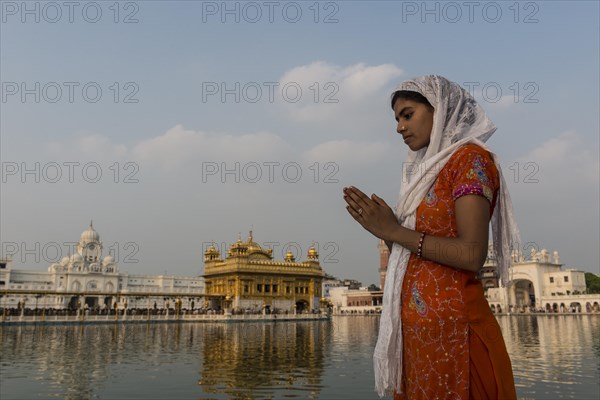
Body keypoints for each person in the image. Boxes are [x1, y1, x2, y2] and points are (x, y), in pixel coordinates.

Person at [343, 75, 519, 399]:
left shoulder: (469, 160)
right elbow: (416, 251)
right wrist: (385, 232)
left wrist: (394, 231)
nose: (399, 127)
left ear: (440, 110)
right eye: (396, 118)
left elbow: (471, 253)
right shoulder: (422, 173)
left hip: (457, 334)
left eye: (407, 114)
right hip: (419, 340)